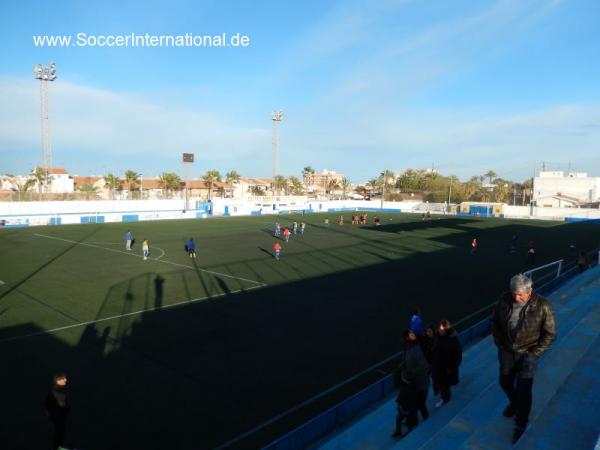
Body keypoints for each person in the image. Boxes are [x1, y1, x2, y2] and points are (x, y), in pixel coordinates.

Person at [491, 274, 557, 444]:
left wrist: (534, 353)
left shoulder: (543, 306)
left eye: (520, 294)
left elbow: (550, 334)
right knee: (504, 382)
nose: (516, 297)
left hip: (528, 354)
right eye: (513, 293)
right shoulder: (504, 300)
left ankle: (520, 424)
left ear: (530, 291)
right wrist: (499, 342)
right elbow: (495, 322)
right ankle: (515, 403)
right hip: (507, 351)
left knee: (524, 390)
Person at [400, 329, 430, 426]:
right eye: (411, 333)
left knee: (418, 404)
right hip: (413, 383)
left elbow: (424, 366)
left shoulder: (416, 349)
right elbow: (406, 362)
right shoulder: (407, 349)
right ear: (407, 338)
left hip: (420, 383)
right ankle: (414, 420)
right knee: (416, 405)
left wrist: (409, 373)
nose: (414, 334)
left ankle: (418, 422)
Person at [432, 319, 463, 407]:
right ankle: (440, 393)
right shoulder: (439, 337)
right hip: (437, 366)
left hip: (445, 369)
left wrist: (450, 369)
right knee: (440, 383)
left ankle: (445, 399)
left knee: (444, 386)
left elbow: (458, 357)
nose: (439, 330)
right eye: (440, 328)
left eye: (442, 329)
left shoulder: (453, 342)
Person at [46, 373, 70, 450]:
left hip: (61, 416)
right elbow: (48, 405)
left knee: (61, 431)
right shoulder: (52, 393)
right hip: (56, 416)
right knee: (57, 431)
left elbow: (65, 404)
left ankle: (58, 447)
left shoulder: (63, 393)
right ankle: (56, 448)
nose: (65, 380)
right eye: (63, 379)